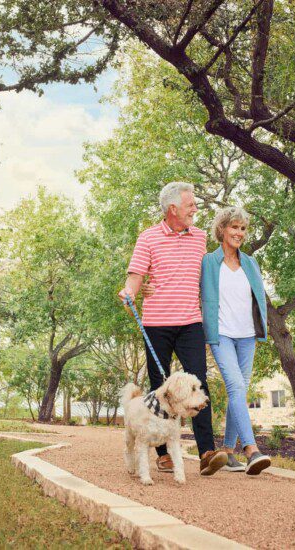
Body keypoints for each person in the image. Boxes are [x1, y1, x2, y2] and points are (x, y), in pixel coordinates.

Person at [118, 182, 228, 476]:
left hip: (191, 322)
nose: (195, 209)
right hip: (157, 324)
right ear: (173, 209)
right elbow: (135, 278)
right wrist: (130, 293)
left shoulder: (200, 237)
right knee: (160, 388)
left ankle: (206, 451)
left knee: (198, 381)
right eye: (190, 204)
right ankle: (164, 454)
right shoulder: (148, 238)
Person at [200, 207, 272, 475]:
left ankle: (228, 452)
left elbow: (258, 299)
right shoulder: (209, 261)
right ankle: (252, 450)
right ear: (222, 230)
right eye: (234, 227)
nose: (239, 233)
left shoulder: (251, 263)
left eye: (242, 228)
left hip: (247, 335)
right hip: (222, 335)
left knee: (239, 391)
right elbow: (186, 283)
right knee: (236, 385)